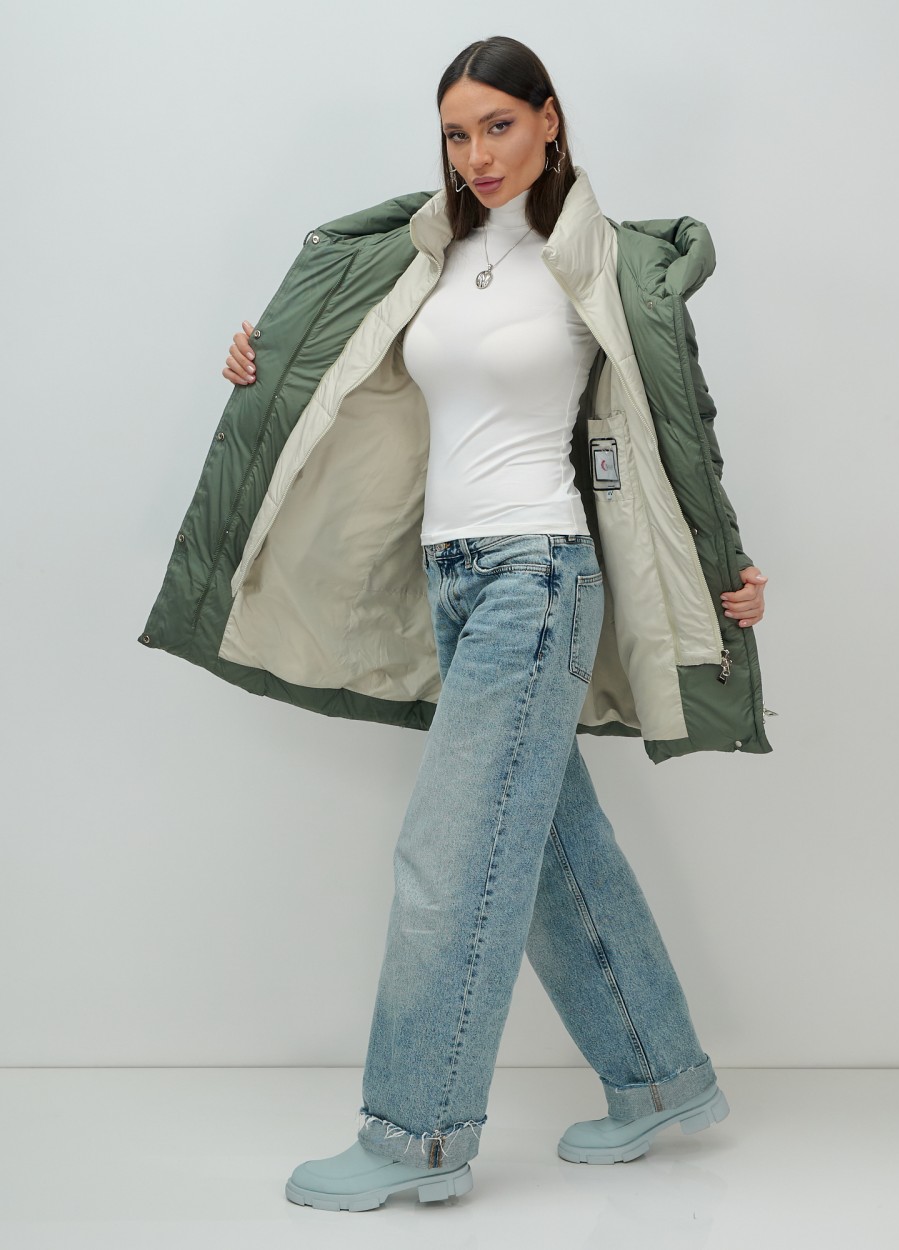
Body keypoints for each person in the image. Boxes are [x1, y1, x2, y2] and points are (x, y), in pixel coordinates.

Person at [142, 35, 770, 1213]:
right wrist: (258, 365)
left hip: (539, 577)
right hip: (451, 577)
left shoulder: (602, 261)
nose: (475, 152)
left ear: (548, 119)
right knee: (550, 851)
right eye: (455, 132)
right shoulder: (428, 250)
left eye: (497, 125)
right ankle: (659, 1074)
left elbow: (677, 420)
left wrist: (726, 563)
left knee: (451, 853)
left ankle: (416, 1132)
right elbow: (336, 364)